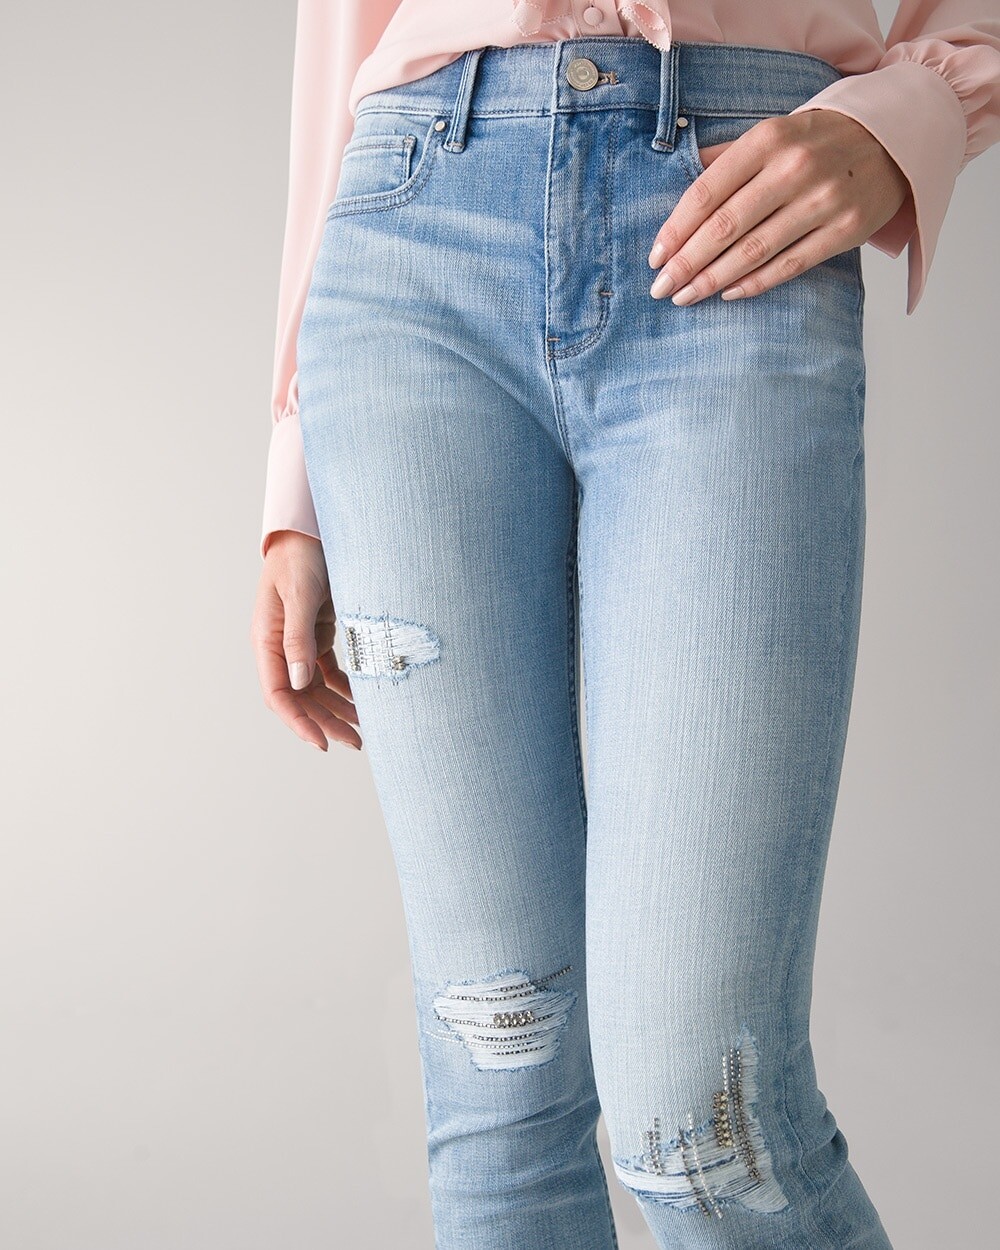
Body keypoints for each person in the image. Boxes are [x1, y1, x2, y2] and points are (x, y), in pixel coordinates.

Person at [250, 4, 1000, 1247]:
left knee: (702, 1126)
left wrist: (912, 108)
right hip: (406, 245)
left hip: (732, 204)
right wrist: (296, 472)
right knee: (500, 1087)